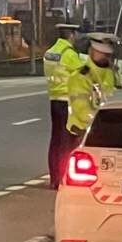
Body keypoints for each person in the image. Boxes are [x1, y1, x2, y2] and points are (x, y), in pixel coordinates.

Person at [43, 22, 83, 188]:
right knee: (68, 141)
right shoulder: (69, 54)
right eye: (76, 34)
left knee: (56, 140)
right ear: (71, 35)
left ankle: (54, 178)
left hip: (54, 100)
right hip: (68, 102)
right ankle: (63, 178)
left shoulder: (50, 53)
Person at [65, 33, 118, 151]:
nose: (105, 56)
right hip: (82, 135)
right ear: (91, 51)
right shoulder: (81, 76)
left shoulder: (112, 73)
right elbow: (82, 110)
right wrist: (104, 123)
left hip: (107, 134)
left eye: (107, 54)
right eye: (102, 53)